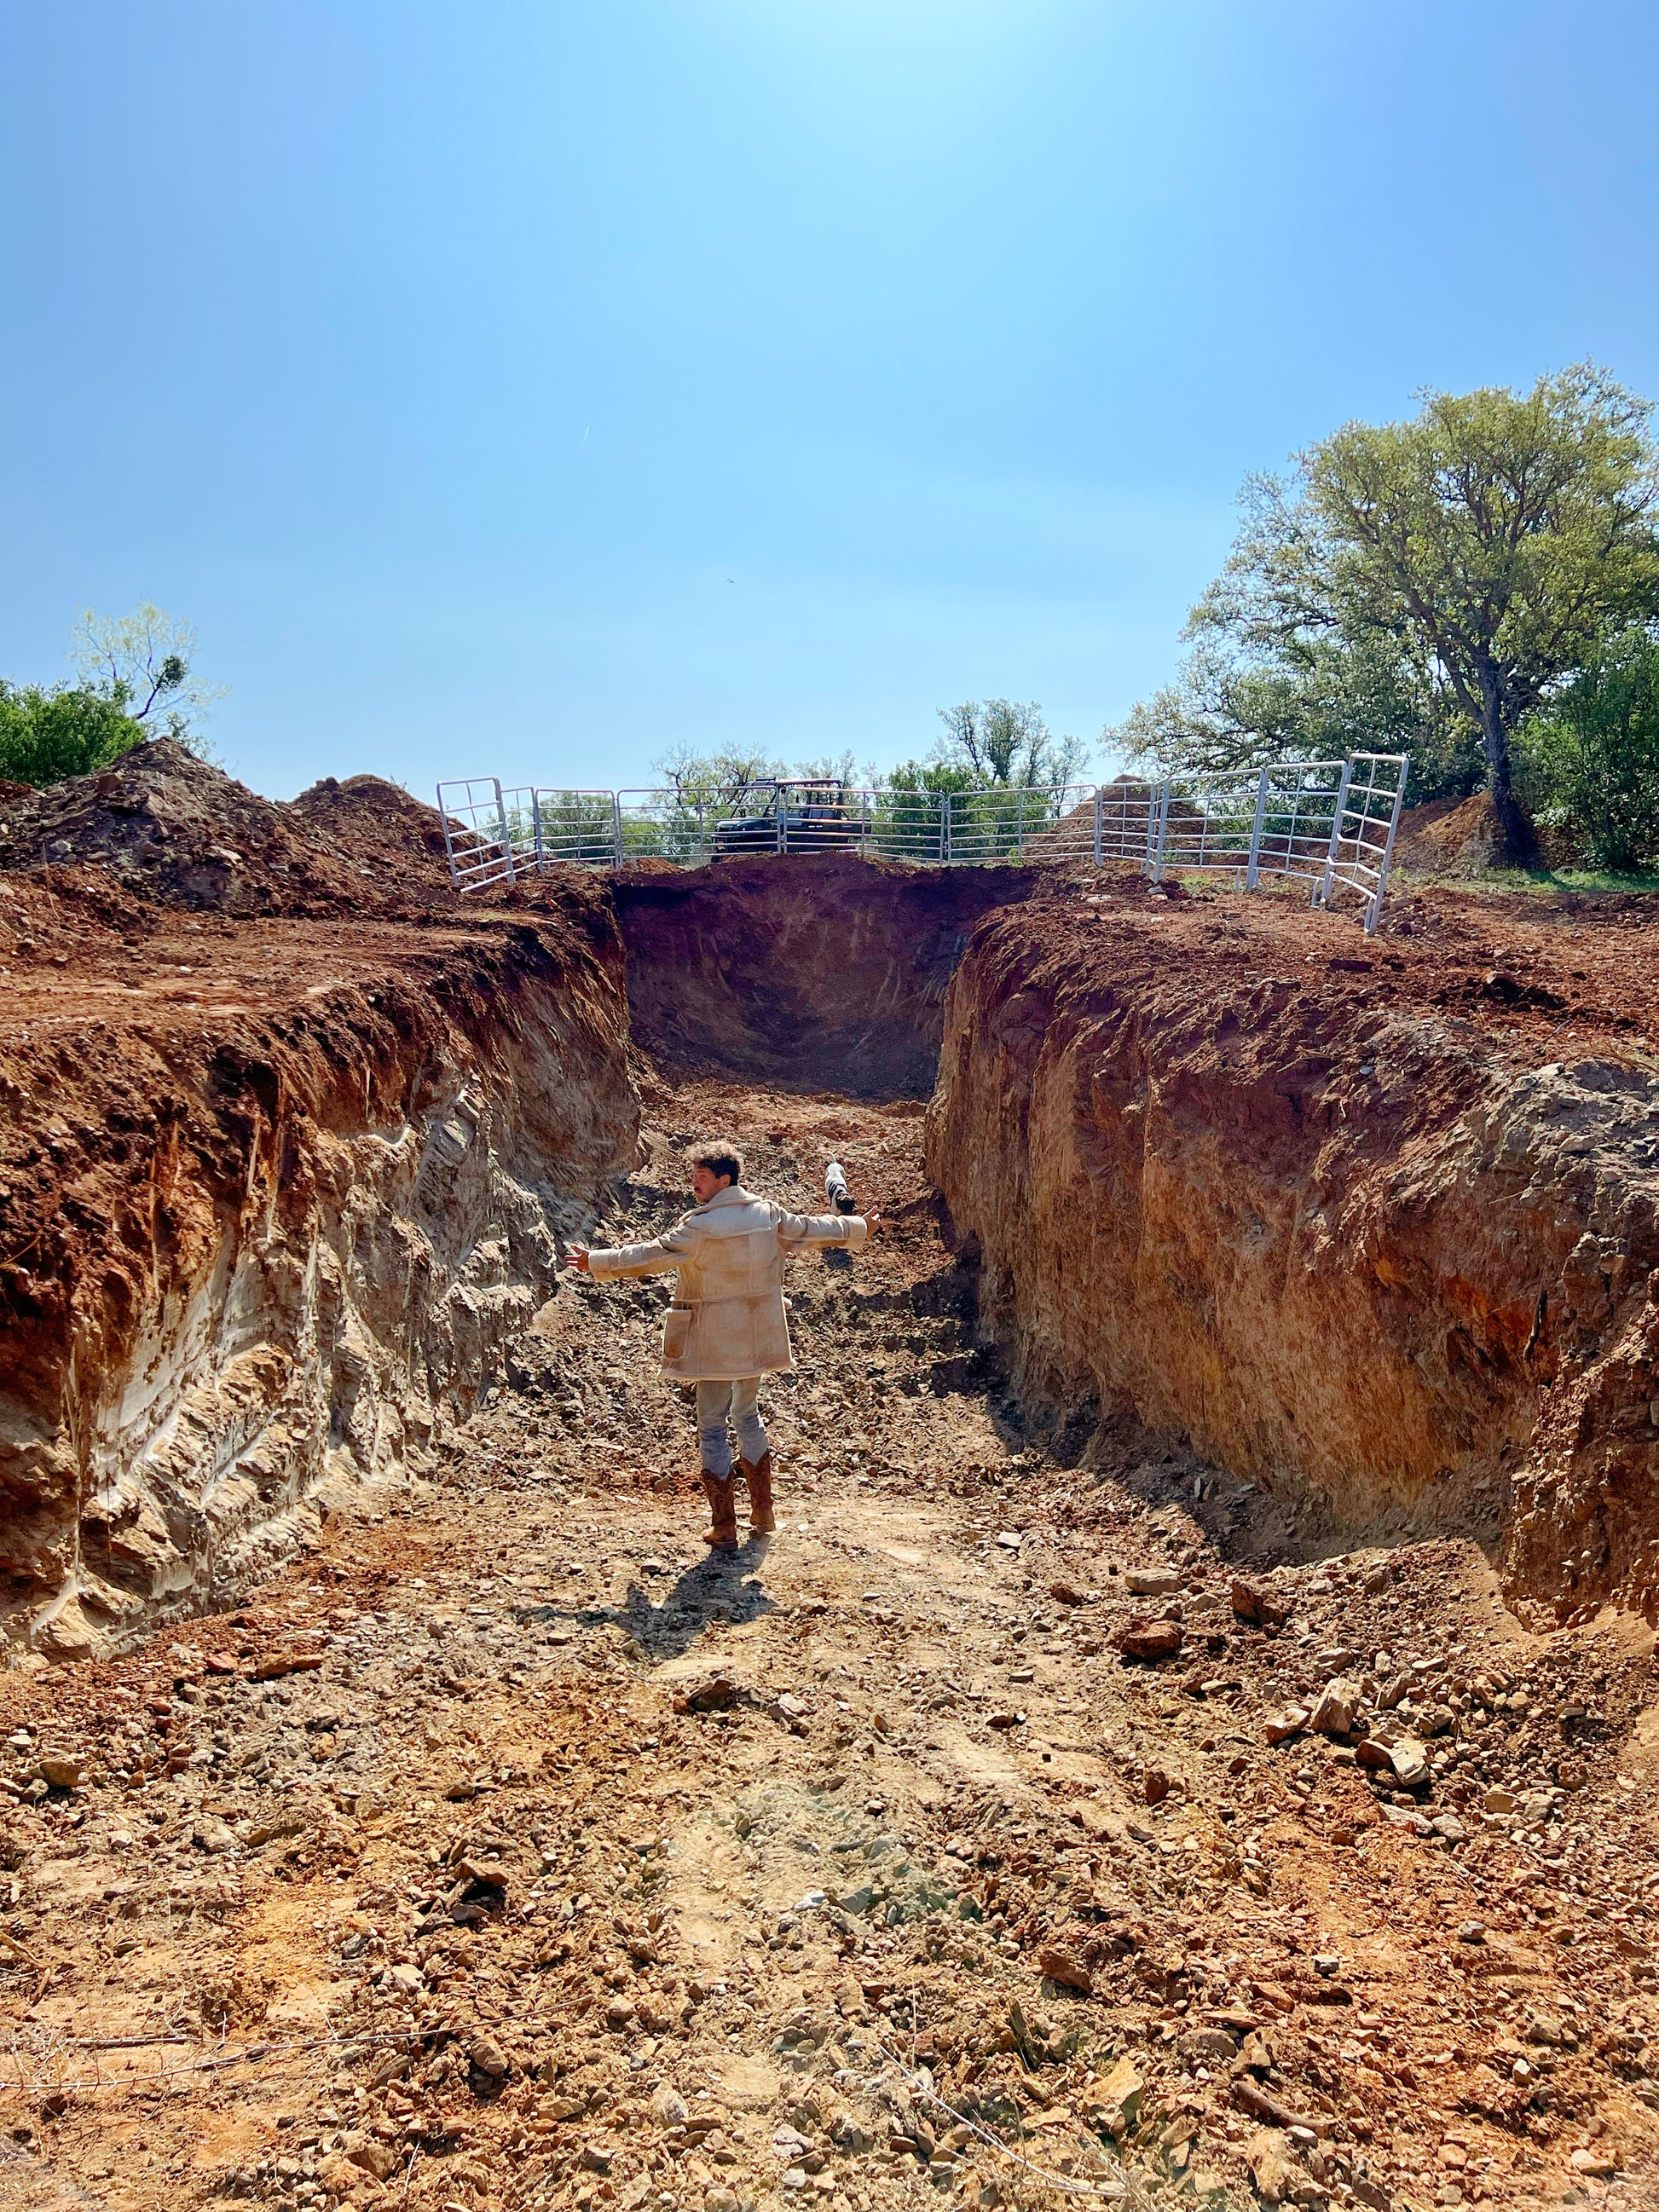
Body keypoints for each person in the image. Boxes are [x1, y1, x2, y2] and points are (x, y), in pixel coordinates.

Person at [566, 1141, 873, 1552]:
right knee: (748, 1416)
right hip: (756, 1336)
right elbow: (812, 1228)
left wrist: (597, 1261)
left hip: (713, 1341)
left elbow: (649, 1256)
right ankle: (763, 1513)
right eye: (694, 1176)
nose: (695, 1184)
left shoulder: (699, 1227)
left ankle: (724, 1525)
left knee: (712, 1426)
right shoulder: (768, 1215)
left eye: (702, 1177)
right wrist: (859, 1228)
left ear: (724, 1180)